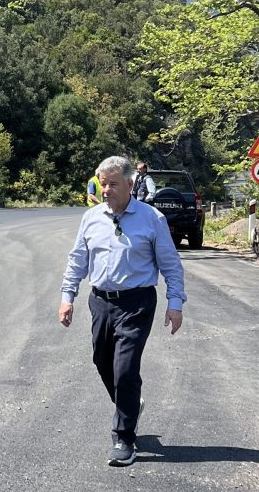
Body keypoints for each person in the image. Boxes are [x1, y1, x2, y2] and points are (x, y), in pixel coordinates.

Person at [59, 155, 186, 467]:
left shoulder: (152, 218)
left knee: (125, 368)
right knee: (102, 359)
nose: (106, 189)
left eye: (113, 184)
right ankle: (130, 403)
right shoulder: (91, 218)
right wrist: (67, 296)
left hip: (137, 303)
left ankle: (124, 437)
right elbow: (77, 259)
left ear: (130, 184)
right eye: (103, 184)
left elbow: (171, 265)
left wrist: (175, 303)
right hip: (100, 300)